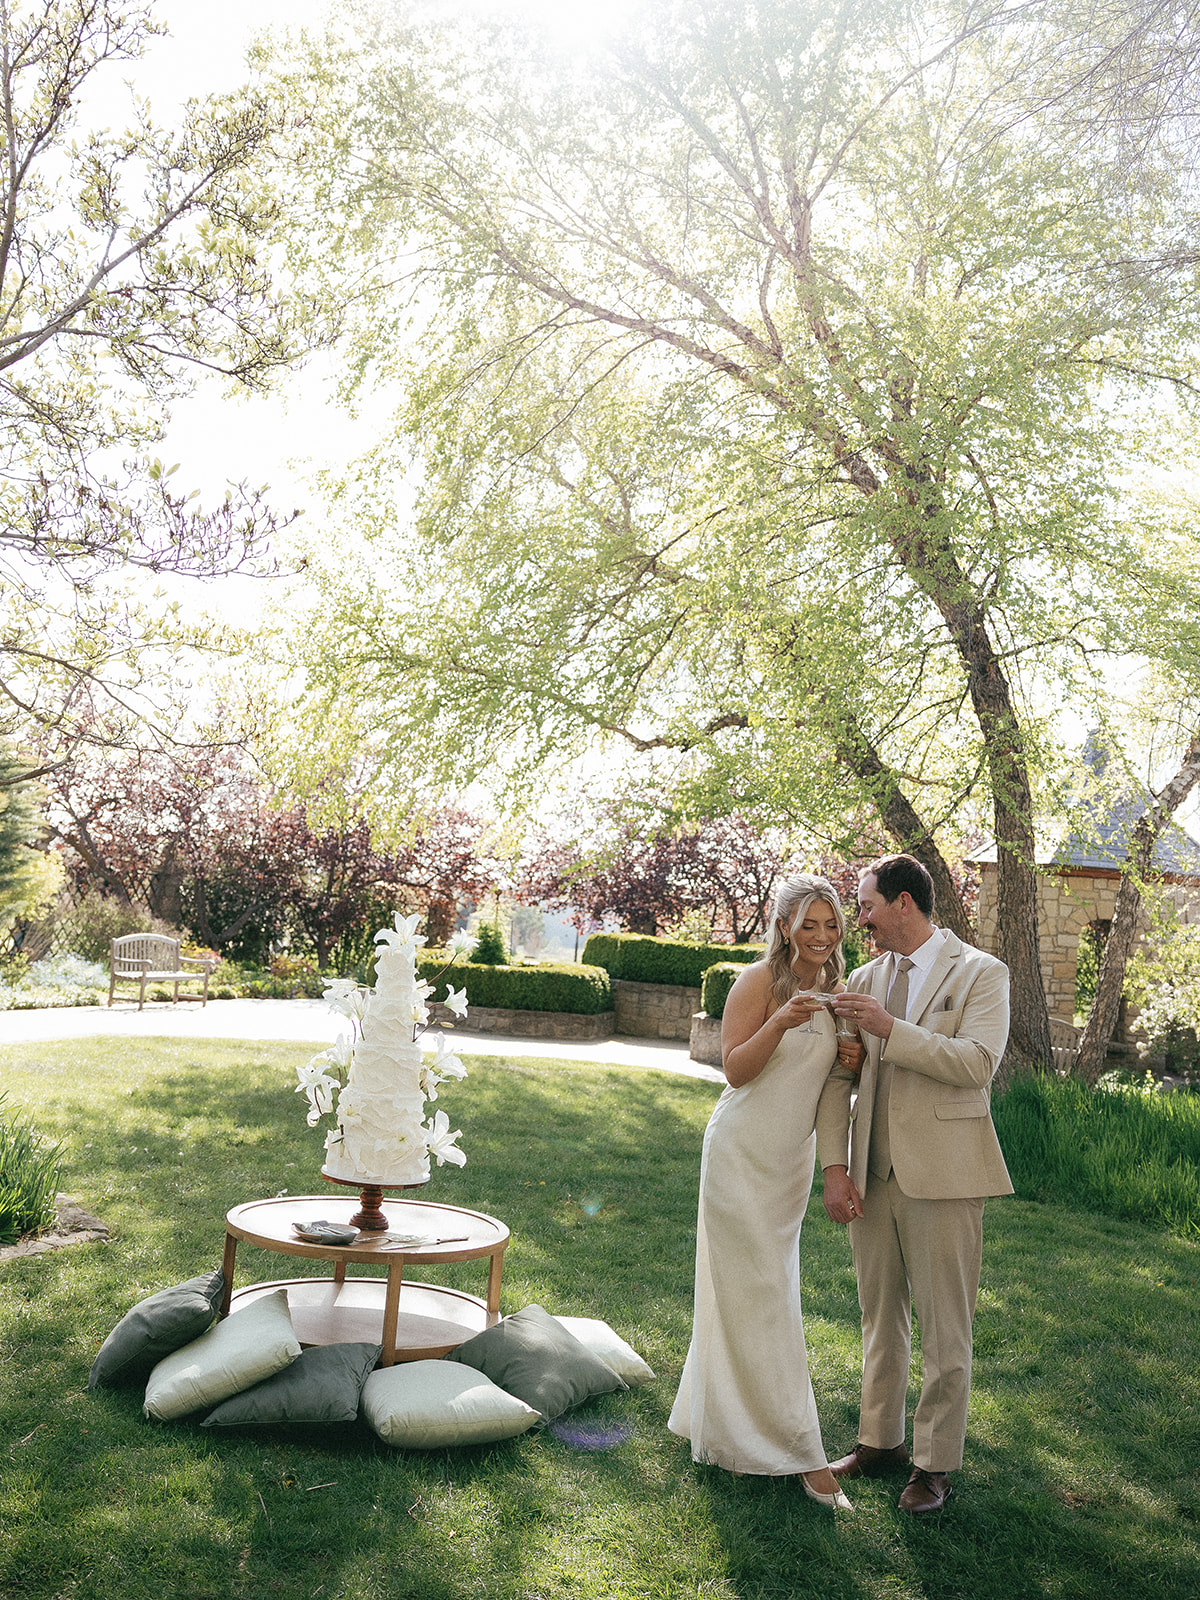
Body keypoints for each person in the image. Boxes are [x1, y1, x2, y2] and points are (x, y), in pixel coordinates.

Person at [818, 853, 1013, 1515]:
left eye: (867, 906)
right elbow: (840, 1078)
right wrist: (836, 1168)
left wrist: (889, 1029)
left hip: (946, 1177)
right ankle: (880, 1442)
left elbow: (977, 1064)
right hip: (872, 1175)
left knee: (945, 1330)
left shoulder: (983, 972)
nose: (861, 920)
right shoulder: (864, 977)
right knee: (880, 1319)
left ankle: (934, 1465)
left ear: (904, 902)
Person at [669, 874, 864, 1511]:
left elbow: (833, 1087)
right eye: (808, 924)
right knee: (760, 1298)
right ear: (783, 927)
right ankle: (805, 1455)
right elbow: (735, 1070)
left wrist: (852, 1064)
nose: (821, 936)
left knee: (758, 1292)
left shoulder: (839, 991)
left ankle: (714, 1422)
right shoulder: (756, 982)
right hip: (739, 1154)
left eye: (831, 924)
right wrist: (780, 1020)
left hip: (788, 1166)